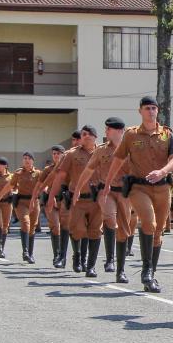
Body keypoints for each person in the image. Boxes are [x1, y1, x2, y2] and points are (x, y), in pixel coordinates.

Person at [103, 96, 173, 293]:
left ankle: (150, 275)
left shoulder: (167, 135)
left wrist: (163, 171)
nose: (151, 111)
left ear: (158, 111)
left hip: (163, 188)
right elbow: (118, 159)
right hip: (139, 187)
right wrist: (107, 183)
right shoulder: (131, 135)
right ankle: (146, 270)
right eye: (147, 108)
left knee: (158, 232)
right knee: (149, 222)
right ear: (140, 111)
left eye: (154, 108)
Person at [73, 118, 128, 278]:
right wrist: (77, 189)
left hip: (125, 193)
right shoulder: (102, 150)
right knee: (110, 218)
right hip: (106, 191)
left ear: (119, 131)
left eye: (108, 130)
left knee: (124, 231)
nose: (105, 132)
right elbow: (89, 170)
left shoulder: (131, 150)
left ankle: (121, 270)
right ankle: (109, 259)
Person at [52, 125, 100, 276]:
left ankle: (88, 263)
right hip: (75, 198)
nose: (85, 137)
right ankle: (76, 255)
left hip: (96, 199)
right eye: (83, 134)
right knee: (76, 229)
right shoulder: (71, 154)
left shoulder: (102, 152)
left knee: (93, 231)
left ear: (95, 137)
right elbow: (60, 176)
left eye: (89, 134)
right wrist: (53, 194)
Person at [0, 152, 41, 263]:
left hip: (34, 202)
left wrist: (48, 192)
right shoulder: (18, 173)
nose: (26, 160)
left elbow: (44, 184)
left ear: (33, 161)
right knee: (25, 223)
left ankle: (30, 254)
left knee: (32, 228)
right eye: (24, 158)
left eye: (29, 158)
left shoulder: (39, 173)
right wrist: (0, 195)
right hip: (21, 202)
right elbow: (10, 185)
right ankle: (25, 252)